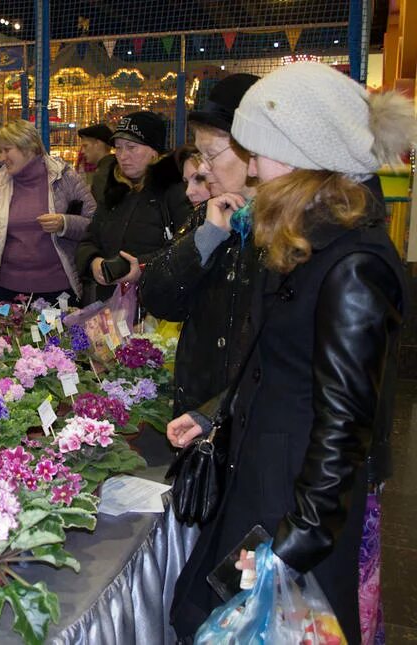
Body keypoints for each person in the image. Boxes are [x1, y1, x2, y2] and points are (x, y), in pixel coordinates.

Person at [167, 62, 412, 644]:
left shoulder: (353, 265)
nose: (249, 168)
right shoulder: (304, 240)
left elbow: (345, 430)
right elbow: (278, 366)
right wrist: (215, 414)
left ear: (304, 155)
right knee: (206, 613)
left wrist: (291, 549)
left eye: (260, 152)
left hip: (293, 509)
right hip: (263, 482)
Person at [137, 74, 260, 417]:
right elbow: (158, 297)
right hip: (197, 404)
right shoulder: (207, 216)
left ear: (252, 151)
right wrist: (205, 238)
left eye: (211, 154)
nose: (204, 169)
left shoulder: (286, 230)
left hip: (248, 419)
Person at [75, 112, 191, 305]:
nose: (123, 156)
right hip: (111, 302)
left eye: (131, 147)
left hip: (157, 304)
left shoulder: (175, 190)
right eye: (118, 148)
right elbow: (88, 240)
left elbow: (185, 248)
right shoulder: (114, 191)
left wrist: (140, 267)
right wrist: (93, 262)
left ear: (154, 151)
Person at [0, 119, 95, 304]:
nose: (2, 158)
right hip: (7, 288)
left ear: (28, 148)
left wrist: (65, 223)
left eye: (7, 150)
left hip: (57, 287)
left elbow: (94, 224)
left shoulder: (65, 178)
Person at [77, 123, 114, 208]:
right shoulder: (113, 167)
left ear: (98, 144)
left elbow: (103, 212)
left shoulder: (102, 174)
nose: (82, 151)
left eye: (85, 146)